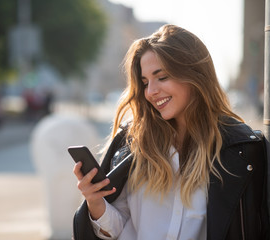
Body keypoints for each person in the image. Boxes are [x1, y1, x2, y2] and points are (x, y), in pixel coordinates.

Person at [72, 24, 269, 240]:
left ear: (195, 74)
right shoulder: (132, 144)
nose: (151, 91)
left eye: (162, 77)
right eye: (145, 82)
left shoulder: (242, 150)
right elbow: (119, 228)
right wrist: (95, 202)